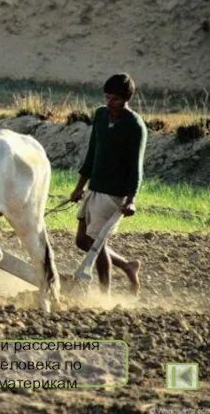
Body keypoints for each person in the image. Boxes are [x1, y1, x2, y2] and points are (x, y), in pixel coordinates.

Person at [70, 73, 147, 296]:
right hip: (94, 187)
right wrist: (79, 186)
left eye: (114, 99)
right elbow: (92, 153)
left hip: (115, 194)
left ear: (126, 99)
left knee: (97, 244)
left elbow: (136, 167)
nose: (109, 103)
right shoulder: (101, 115)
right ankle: (127, 266)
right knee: (82, 241)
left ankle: (105, 295)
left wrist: (131, 201)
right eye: (107, 97)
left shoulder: (135, 126)